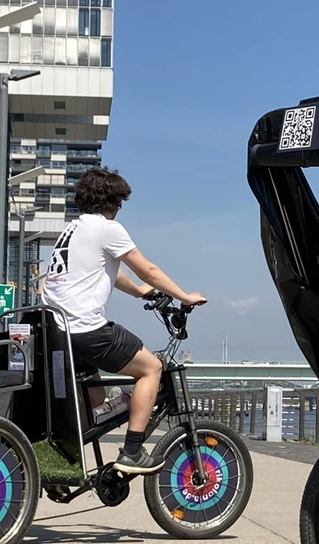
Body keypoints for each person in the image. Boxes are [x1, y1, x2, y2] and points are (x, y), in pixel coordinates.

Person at [41, 167, 207, 474]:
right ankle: (132, 451)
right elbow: (149, 270)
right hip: (84, 327)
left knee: (96, 395)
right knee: (151, 368)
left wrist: (142, 292)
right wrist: (183, 296)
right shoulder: (107, 230)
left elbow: (111, 271)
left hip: (56, 330)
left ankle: (73, 459)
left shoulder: (72, 231)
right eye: (119, 202)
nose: (120, 209)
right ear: (111, 202)